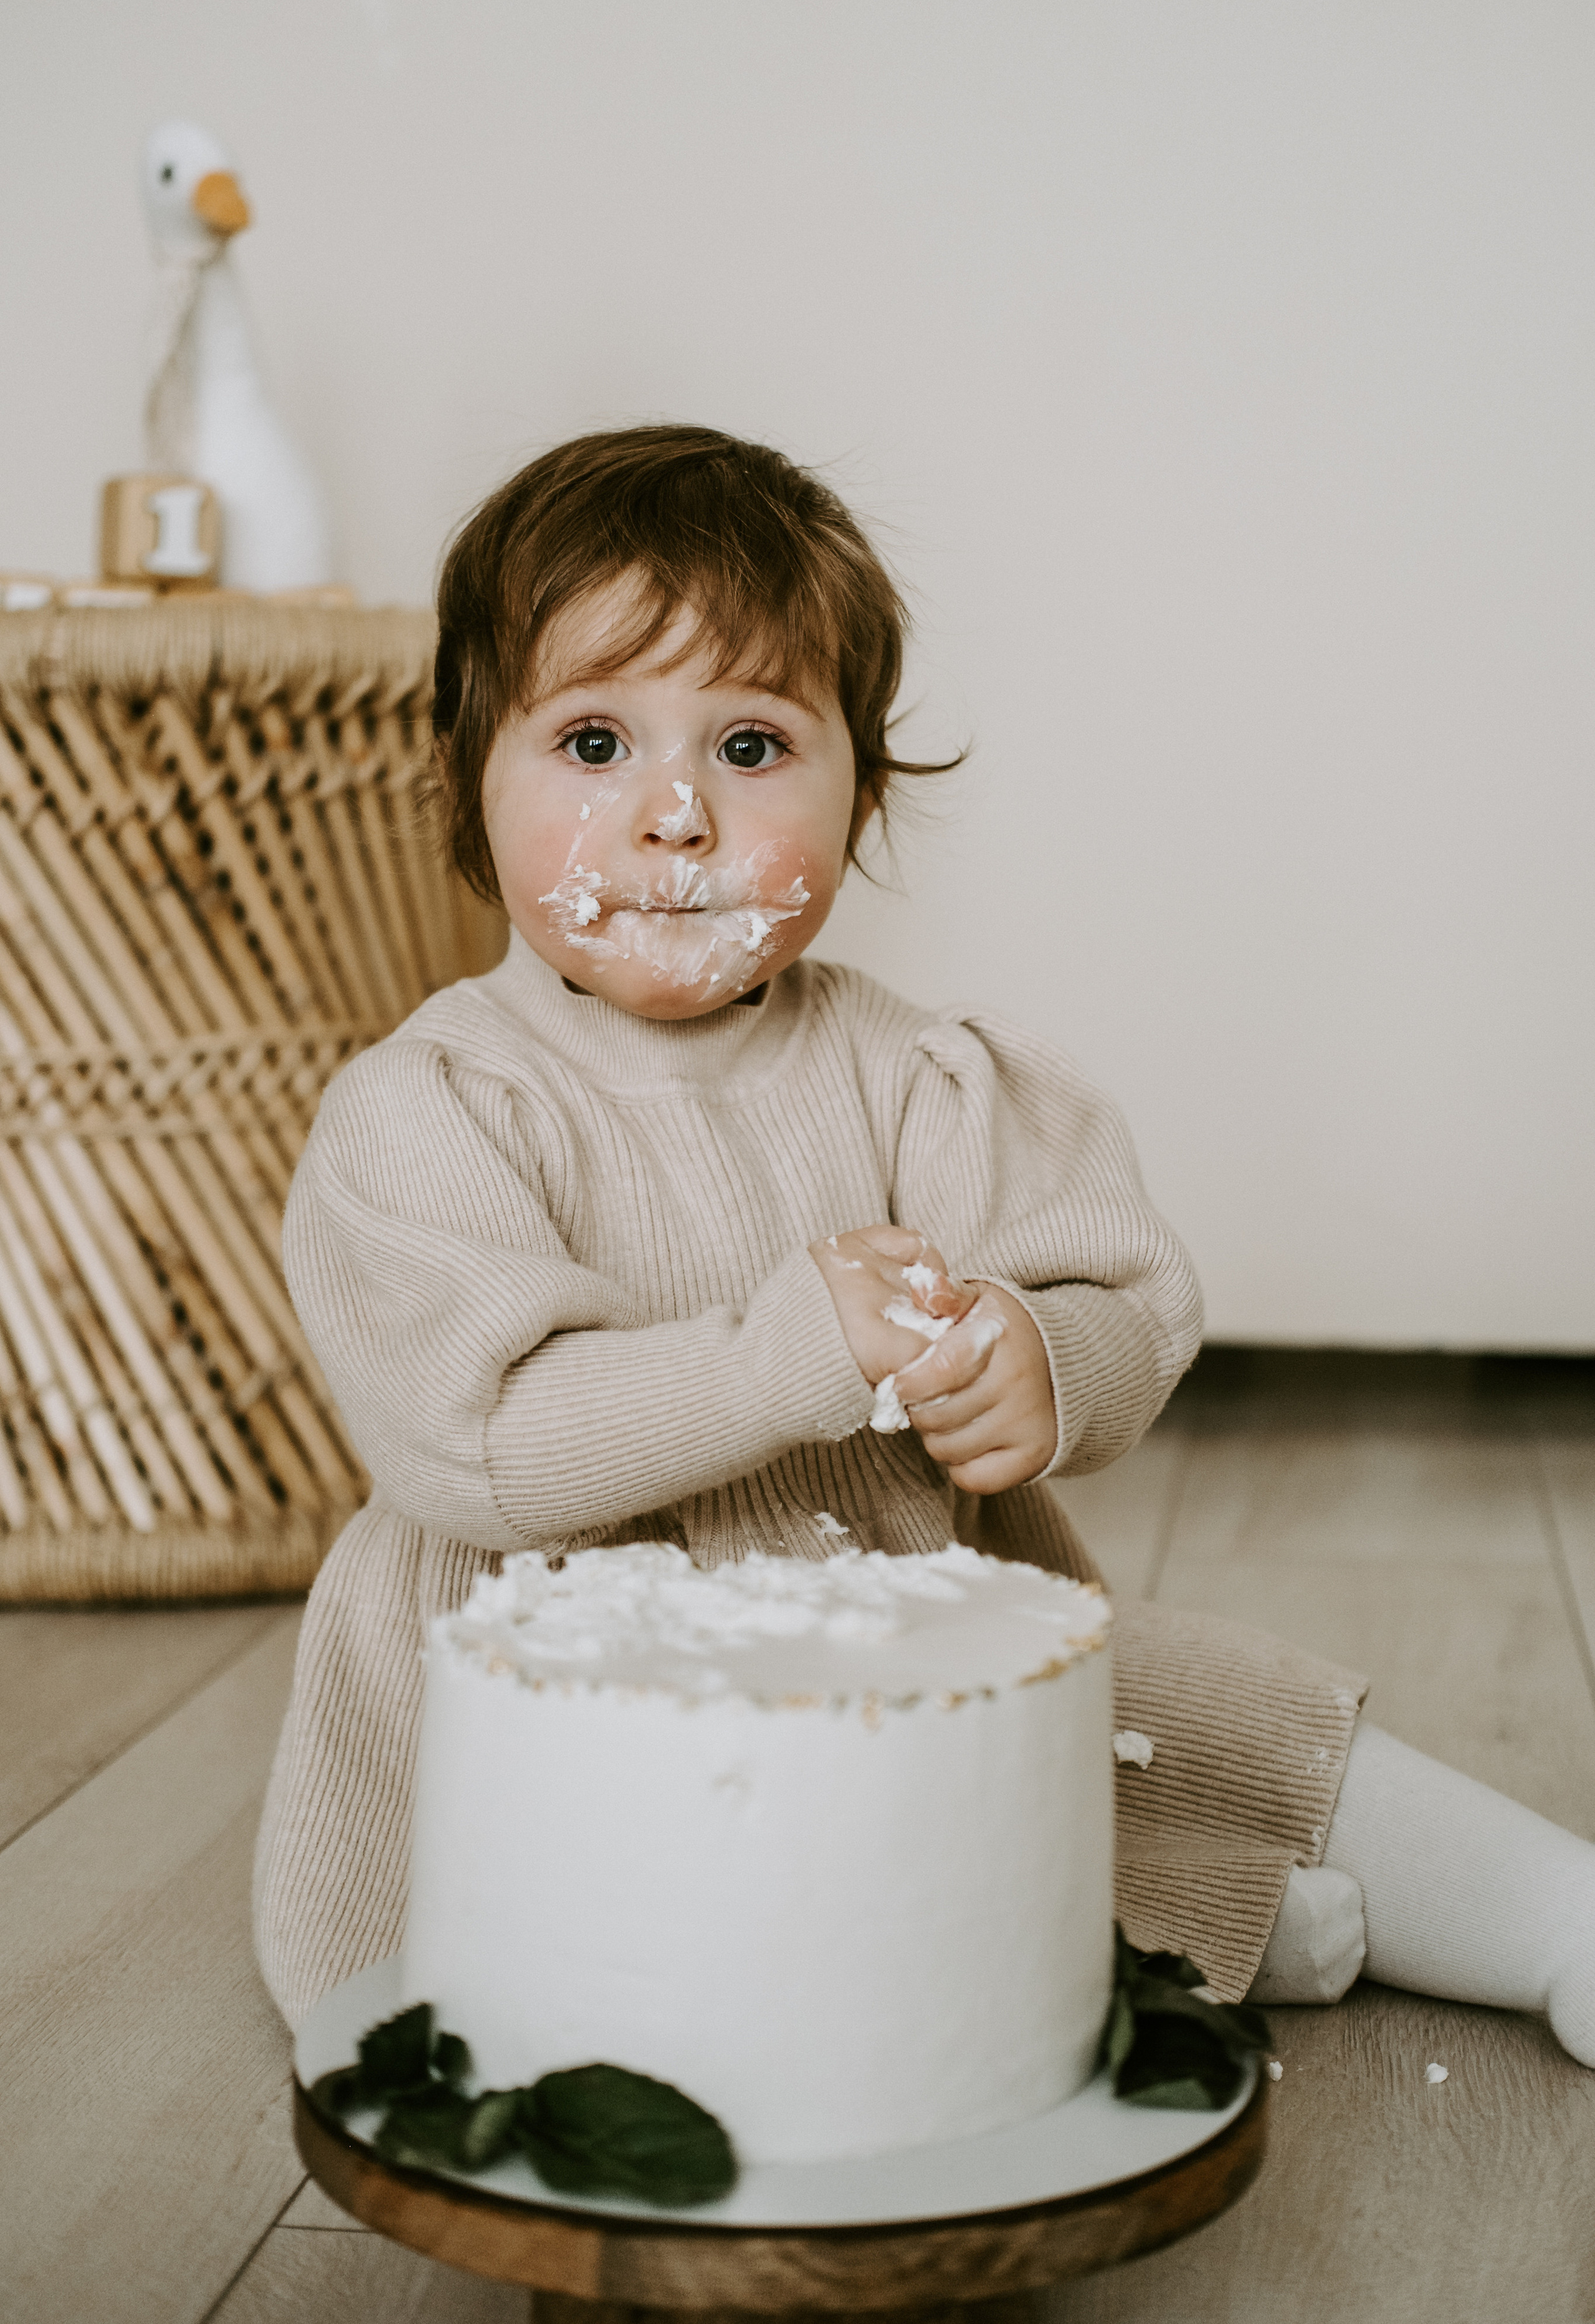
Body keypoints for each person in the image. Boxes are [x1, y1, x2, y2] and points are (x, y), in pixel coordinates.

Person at [254, 426, 1594, 2066]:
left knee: (1206, 1712)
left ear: (863, 796)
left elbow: (1115, 1281)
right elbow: (478, 1445)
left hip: (894, 1625)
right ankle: (1142, 1943)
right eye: (595, 741)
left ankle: (1553, 1918)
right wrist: (785, 1353)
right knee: (725, 1966)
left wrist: (1040, 1364)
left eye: (751, 746)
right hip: (544, 1718)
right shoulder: (431, 1113)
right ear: (473, 782)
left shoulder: (916, 1073)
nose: (674, 816)